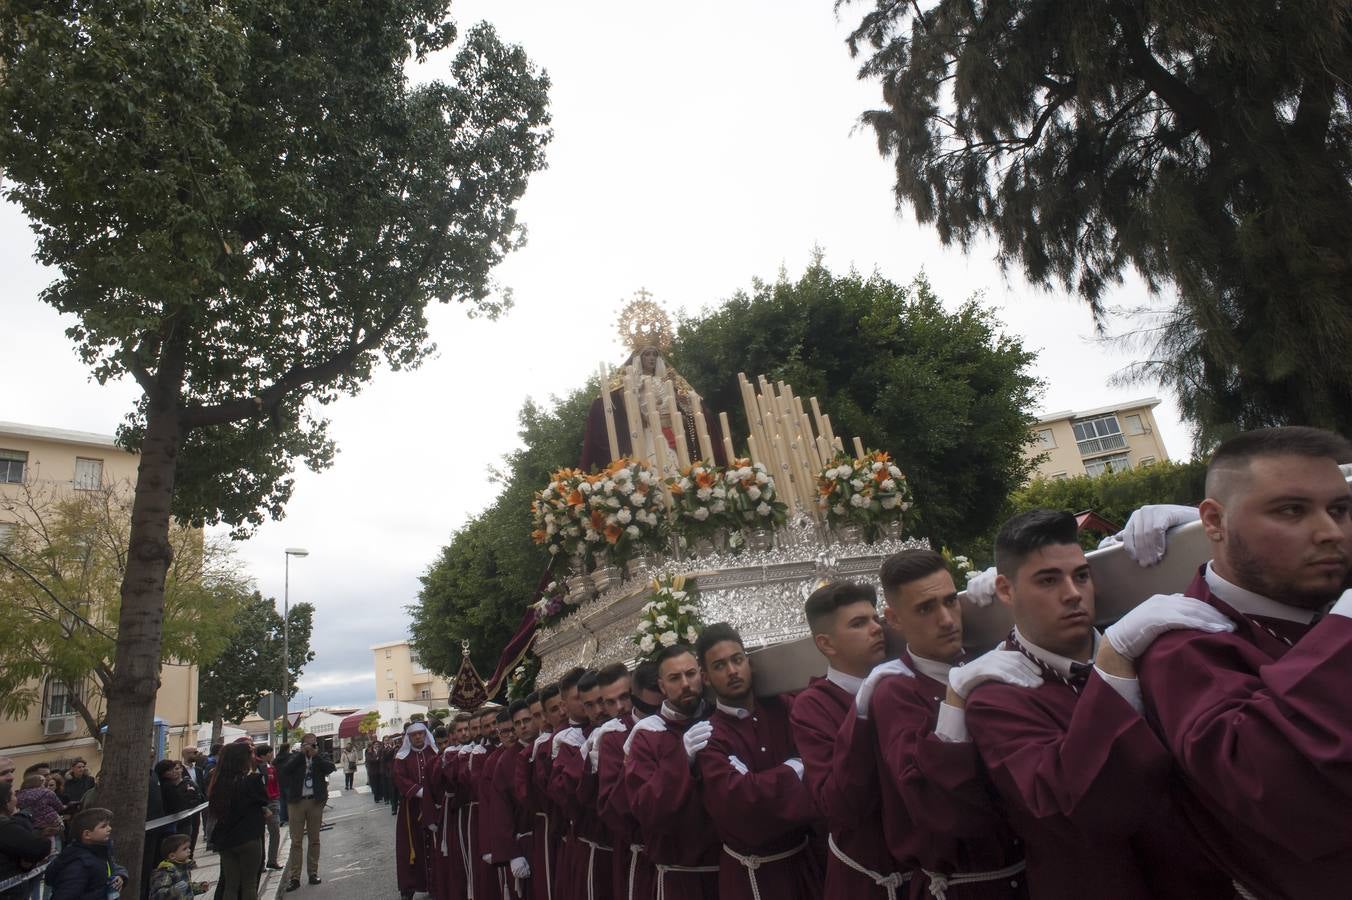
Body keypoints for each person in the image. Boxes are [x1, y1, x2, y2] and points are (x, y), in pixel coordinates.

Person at [1097, 426, 1352, 897]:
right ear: (1213, 522)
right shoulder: (1182, 645)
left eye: (1339, 509)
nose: (1330, 533)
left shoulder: (1324, 601)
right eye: (1291, 510)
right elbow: (1273, 784)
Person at [956, 509, 1228, 899]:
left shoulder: (1149, 650)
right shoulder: (996, 695)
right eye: (1048, 580)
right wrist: (1114, 665)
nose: (1072, 593)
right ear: (1005, 590)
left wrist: (1196, 525)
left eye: (1081, 576)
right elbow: (1069, 807)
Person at [850, 552, 1028, 898]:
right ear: (894, 619)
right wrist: (954, 702)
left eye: (950, 601)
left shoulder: (985, 662)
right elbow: (935, 808)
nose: (947, 619)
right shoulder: (894, 692)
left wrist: (1012, 598)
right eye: (925, 608)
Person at [788, 581, 917, 900]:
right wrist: (860, 714)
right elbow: (838, 805)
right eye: (859, 623)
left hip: (923, 876)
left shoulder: (904, 683)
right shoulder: (812, 706)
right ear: (826, 644)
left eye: (876, 619)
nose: (876, 629)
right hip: (865, 882)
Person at [694, 622, 822, 900]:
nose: (731, 671)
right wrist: (795, 767)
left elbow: (824, 777)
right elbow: (741, 807)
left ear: (748, 662)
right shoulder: (709, 737)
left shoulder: (785, 708)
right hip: (753, 877)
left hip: (806, 864)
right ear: (705, 677)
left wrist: (758, 785)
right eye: (719, 666)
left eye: (737, 660)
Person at [623, 644, 720, 900]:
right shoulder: (647, 735)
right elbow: (645, 807)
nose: (685, 684)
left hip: (731, 869)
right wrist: (681, 760)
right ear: (662, 686)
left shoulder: (719, 718)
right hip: (680, 878)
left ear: (702, 674)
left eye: (690, 674)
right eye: (674, 678)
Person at [592, 662, 657, 900]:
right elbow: (612, 808)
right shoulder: (611, 737)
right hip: (639, 849)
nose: (619, 707)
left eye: (624, 697)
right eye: (610, 702)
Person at [207, 743, 269, 900]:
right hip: (248, 837)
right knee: (249, 884)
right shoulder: (251, 781)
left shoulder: (217, 783)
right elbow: (263, 800)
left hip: (226, 840)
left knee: (231, 885)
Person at [279, 734, 334, 892]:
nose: (311, 747)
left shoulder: (320, 756)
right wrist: (302, 755)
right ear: (302, 745)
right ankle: (295, 877)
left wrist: (315, 756)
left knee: (314, 839)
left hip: (315, 801)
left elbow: (330, 768)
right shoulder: (295, 757)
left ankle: (313, 872)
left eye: (314, 745)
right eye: (308, 745)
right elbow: (285, 770)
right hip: (297, 801)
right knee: (296, 840)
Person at [392, 723, 438, 900]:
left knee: (434, 844)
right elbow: (398, 777)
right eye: (414, 735)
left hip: (433, 807)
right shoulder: (402, 757)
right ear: (409, 737)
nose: (418, 737)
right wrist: (419, 791)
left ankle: (436, 885)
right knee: (410, 848)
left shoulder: (433, 753)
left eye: (420, 734)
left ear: (425, 734)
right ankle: (409, 887)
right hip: (411, 810)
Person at [44, 808, 125, 900]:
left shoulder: (99, 852)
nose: (109, 828)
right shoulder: (79, 865)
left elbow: (110, 866)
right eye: (103, 826)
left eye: (109, 825)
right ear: (87, 834)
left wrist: (120, 875)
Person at [0, 782, 53, 900]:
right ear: (5, 801)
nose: (16, 799)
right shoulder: (4, 825)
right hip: (7, 892)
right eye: (13, 795)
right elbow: (39, 847)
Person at [147, 834, 207, 900]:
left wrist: (200, 887)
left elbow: (186, 887)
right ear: (172, 856)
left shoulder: (183, 867)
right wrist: (174, 890)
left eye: (188, 847)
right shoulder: (166, 872)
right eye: (184, 849)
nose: (189, 850)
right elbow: (158, 895)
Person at [251, 747, 282, 871]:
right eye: (269, 753)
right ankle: (265, 862)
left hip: (272, 800)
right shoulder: (258, 767)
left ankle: (270, 860)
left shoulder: (267, 766)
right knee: (267, 833)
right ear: (263, 755)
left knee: (273, 832)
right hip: (266, 802)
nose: (271, 754)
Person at [363, 740, 383, 805]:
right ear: (373, 745)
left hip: (379, 770)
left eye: (377, 744)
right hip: (372, 771)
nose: (376, 745)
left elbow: (382, 758)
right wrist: (376, 759)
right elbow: (369, 759)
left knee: (379, 784)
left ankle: (380, 796)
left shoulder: (380, 751)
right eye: (375, 744)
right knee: (374, 785)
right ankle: (376, 798)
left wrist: (378, 759)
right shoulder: (369, 751)